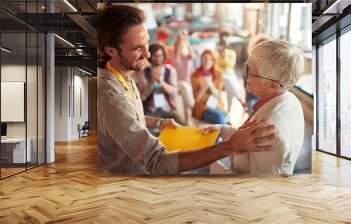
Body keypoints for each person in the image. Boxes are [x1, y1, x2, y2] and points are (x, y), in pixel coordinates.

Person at [97, 5, 277, 175]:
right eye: (138, 49)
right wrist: (230, 147)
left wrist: (158, 123)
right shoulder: (111, 98)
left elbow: (127, 119)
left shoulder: (123, 74)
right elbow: (157, 162)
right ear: (111, 50)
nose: (149, 55)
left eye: (147, 44)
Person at [203, 40, 304, 176]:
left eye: (250, 71)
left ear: (272, 86)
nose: (245, 75)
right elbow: (248, 138)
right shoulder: (290, 99)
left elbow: (257, 187)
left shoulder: (268, 131)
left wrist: (212, 165)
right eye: (247, 66)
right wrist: (223, 130)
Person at [136, 43, 186, 125]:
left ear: (163, 56)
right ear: (150, 57)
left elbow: (174, 92)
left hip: (168, 109)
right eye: (155, 56)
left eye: (160, 55)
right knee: (150, 133)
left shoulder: (170, 70)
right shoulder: (143, 73)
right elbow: (142, 97)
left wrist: (161, 82)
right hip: (151, 111)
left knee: (183, 124)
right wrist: (151, 82)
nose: (158, 58)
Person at [191, 49, 226, 124]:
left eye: (211, 59)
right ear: (201, 59)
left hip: (217, 105)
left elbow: (218, 96)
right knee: (219, 117)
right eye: (205, 58)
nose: (207, 61)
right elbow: (197, 99)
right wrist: (205, 86)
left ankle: (223, 133)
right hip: (202, 108)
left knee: (221, 116)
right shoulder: (195, 75)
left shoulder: (219, 73)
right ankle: (226, 134)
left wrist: (210, 85)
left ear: (214, 61)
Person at [216, 32, 245, 112]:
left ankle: (229, 110)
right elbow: (216, 64)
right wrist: (220, 55)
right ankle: (241, 101)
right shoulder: (217, 53)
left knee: (230, 91)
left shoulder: (231, 53)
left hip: (229, 74)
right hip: (221, 75)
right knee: (230, 89)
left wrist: (223, 55)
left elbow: (230, 64)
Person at [173, 30, 195, 125]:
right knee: (186, 90)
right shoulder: (176, 53)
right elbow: (177, 60)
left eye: (186, 35)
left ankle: (188, 119)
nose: (184, 36)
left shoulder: (188, 54)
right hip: (178, 82)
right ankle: (188, 120)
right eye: (183, 34)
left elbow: (193, 55)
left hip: (188, 81)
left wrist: (187, 42)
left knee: (187, 92)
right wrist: (181, 42)